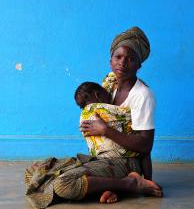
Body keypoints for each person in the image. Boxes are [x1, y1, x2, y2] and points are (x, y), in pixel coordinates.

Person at [24, 27, 162, 209]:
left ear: (139, 65)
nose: (123, 63)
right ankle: (111, 186)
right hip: (100, 159)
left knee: (62, 184)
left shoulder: (143, 95)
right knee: (36, 172)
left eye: (131, 58)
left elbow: (145, 145)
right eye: (118, 57)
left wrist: (105, 130)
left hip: (127, 162)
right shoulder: (109, 87)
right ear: (110, 61)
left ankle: (131, 184)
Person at [74, 81, 152, 180]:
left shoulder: (85, 116)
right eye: (106, 93)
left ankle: (118, 187)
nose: (110, 98)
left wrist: (105, 130)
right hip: (119, 161)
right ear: (98, 95)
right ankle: (146, 181)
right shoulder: (107, 111)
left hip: (110, 161)